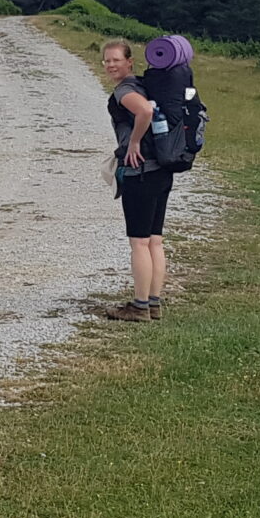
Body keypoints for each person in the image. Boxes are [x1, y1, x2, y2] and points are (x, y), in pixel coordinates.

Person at [100, 39, 172, 321]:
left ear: (130, 61)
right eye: (106, 60)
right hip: (162, 169)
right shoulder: (145, 85)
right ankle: (153, 303)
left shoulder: (126, 90)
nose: (110, 65)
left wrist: (133, 143)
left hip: (141, 172)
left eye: (116, 59)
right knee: (155, 240)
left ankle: (140, 306)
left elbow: (145, 111)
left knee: (140, 243)